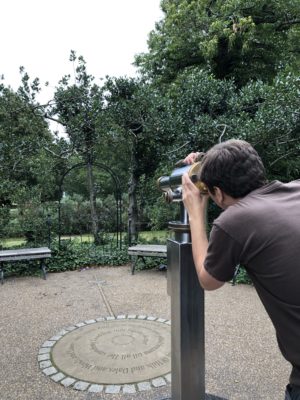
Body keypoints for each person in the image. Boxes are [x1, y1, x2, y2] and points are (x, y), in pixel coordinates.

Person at [181, 139, 300, 400]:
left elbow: (207, 279)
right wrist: (208, 160)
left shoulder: (234, 220)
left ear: (219, 194)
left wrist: (195, 213)